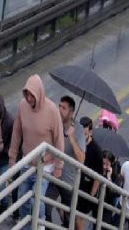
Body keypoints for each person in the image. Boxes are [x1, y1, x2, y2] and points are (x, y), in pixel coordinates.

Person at [8, 74, 65, 230]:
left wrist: (59, 165)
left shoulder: (52, 110)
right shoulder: (22, 106)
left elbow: (59, 139)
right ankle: (28, 227)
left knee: (36, 200)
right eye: (26, 94)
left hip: (45, 164)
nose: (29, 98)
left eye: (32, 95)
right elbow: (16, 133)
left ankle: (39, 225)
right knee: (22, 198)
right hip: (27, 160)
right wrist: (12, 157)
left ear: (39, 94)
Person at [45, 96, 86, 227]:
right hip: (54, 174)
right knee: (44, 206)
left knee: (70, 217)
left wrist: (72, 137)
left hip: (69, 180)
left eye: (64, 108)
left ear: (71, 112)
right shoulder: (55, 123)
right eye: (59, 106)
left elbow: (81, 159)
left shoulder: (78, 129)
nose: (60, 109)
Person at [77, 116, 104, 230]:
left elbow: (98, 176)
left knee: (78, 217)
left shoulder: (97, 151)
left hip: (87, 188)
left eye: (85, 134)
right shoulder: (76, 142)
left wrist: (91, 195)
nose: (82, 137)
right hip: (75, 182)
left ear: (90, 132)